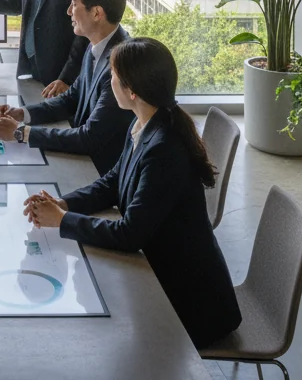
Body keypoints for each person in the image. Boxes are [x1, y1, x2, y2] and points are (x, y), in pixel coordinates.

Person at [23, 37, 241, 349]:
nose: (108, 82)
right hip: (165, 277)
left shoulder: (164, 149)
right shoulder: (147, 123)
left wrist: (63, 221)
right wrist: (65, 203)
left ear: (132, 90)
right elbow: (113, 181)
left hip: (191, 305)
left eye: (112, 76)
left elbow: (129, 235)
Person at [0, 0, 134, 175]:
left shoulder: (119, 66)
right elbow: (70, 98)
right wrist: (22, 113)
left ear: (96, 13)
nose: (68, 12)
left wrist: (21, 133)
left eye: (74, 4)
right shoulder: (97, 47)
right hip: (84, 162)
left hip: (100, 172)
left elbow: (89, 138)